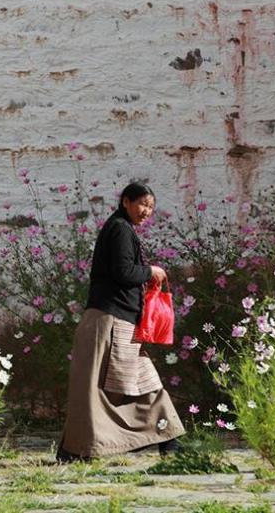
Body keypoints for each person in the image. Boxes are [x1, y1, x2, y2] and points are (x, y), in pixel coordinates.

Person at [56, 182, 185, 462]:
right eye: (142, 204)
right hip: (110, 321)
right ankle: (75, 449)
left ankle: (168, 440)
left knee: (137, 381)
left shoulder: (120, 228)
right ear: (126, 201)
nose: (146, 211)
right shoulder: (119, 229)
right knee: (105, 387)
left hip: (117, 321)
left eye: (150, 207)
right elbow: (124, 272)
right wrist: (152, 270)